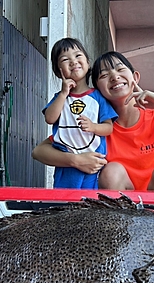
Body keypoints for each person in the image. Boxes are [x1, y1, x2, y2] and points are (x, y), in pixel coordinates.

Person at [33, 51, 154, 192]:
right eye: (104, 75)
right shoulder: (95, 127)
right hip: (121, 212)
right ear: (97, 90)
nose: (114, 77)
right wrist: (75, 160)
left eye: (120, 69)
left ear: (135, 76)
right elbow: (39, 151)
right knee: (112, 171)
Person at [43, 38, 118, 189]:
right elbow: (50, 118)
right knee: (64, 203)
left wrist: (93, 127)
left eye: (78, 56)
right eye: (65, 59)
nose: (73, 61)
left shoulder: (98, 97)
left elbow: (108, 128)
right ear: (59, 71)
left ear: (88, 63)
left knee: (89, 202)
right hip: (66, 164)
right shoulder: (60, 97)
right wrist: (64, 93)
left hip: (93, 161)